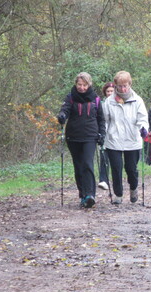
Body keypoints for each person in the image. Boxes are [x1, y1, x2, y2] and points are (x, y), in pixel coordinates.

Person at [57, 72, 105, 208]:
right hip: (73, 137)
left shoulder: (95, 99)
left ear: (89, 85)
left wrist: (102, 133)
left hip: (90, 136)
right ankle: (82, 195)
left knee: (87, 164)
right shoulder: (71, 97)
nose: (82, 88)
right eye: (79, 84)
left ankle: (90, 195)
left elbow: (101, 118)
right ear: (76, 84)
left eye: (84, 85)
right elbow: (64, 110)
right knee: (78, 167)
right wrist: (61, 116)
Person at [104, 71, 149, 204]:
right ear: (116, 86)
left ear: (129, 84)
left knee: (131, 168)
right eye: (120, 86)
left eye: (125, 86)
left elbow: (142, 118)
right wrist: (102, 133)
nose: (123, 89)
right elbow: (105, 121)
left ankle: (133, 188)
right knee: (116, 168)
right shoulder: (109, 101)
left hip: (132, 139)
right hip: (114, 139)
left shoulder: (137, 100)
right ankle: (118, 194)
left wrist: (143, 128)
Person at [97, 82, 115, 191]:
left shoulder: (120, 103)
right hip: (104, 134)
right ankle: (103, 180)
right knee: (104, 157)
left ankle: (115, 180)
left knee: (115, 160)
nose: (110, 93)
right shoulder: (101, 104)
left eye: (112, 91)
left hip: (116, 136)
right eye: (108, 91)